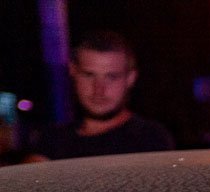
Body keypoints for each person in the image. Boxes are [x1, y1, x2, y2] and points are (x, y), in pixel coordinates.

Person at [31, 30, 174, 160]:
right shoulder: (51, 140)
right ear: (73, 71)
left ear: (130, 78)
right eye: (88, 75)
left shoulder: (150, 139)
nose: (99, 89)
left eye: (111, 77)